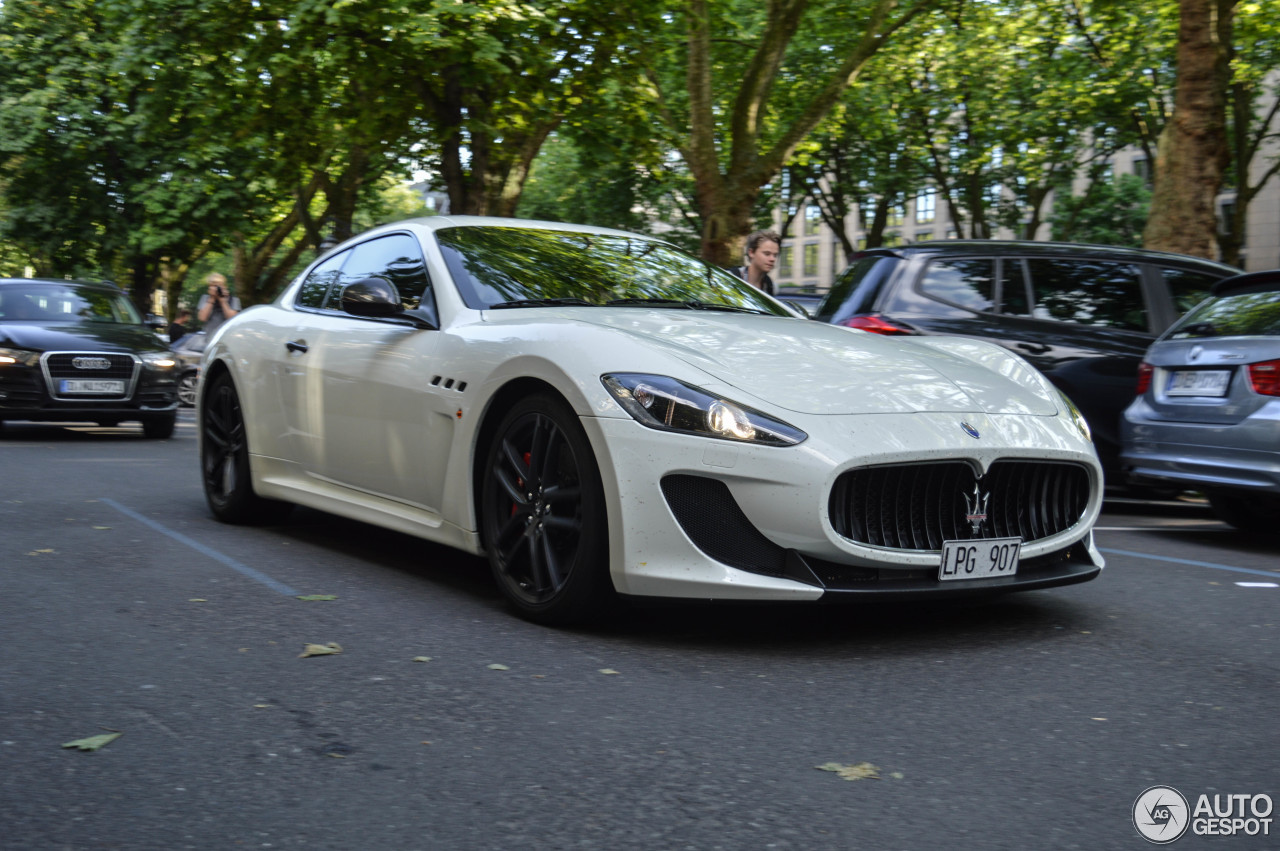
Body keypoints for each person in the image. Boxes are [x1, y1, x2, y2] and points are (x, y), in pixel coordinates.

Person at [727, 230, 781, 295]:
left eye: (775, 255)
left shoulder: (772, 288)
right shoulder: (729, 278)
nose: (772, 259)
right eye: (767, 254)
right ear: (751, 252)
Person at [196, 273, 241, 337]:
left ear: (225, 286)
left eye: (218, 286)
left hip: (227, 336)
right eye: (212, 286)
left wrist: (223, 301)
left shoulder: (233, 300)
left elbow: (232, 319)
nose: (215, 289)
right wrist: (211, 299)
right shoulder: (206, 298)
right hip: (208, 336)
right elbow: (202, 318)